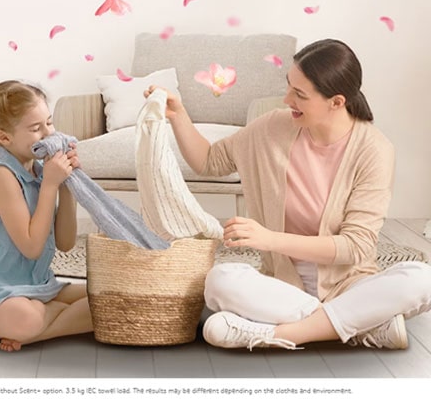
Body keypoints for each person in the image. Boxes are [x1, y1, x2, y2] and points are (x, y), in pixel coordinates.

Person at [146, 38, 431, 351]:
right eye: (289, 87)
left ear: (336, 102)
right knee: (219, 280)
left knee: (423, 279)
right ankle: (362, 325)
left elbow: (355, 246)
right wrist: (179, 114)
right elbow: (209, 161)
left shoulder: (374, 151)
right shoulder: (272, 129)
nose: (286, 99)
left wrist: (269, 239)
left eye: (300, 94)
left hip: (348, 285)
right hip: (283, 285)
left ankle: (283, 334)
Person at [0, 80, 93, 351]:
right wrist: (50, 185)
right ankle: (35, 323)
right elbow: (32, 248)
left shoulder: (39, 170)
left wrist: (66, 185)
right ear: (4, 137)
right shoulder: (1, 175)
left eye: (49, 122)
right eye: (36, 129)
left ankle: (38, 330)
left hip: (35, 284)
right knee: (25, 317)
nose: (48, 133)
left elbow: (65, 243)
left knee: (108, 300)